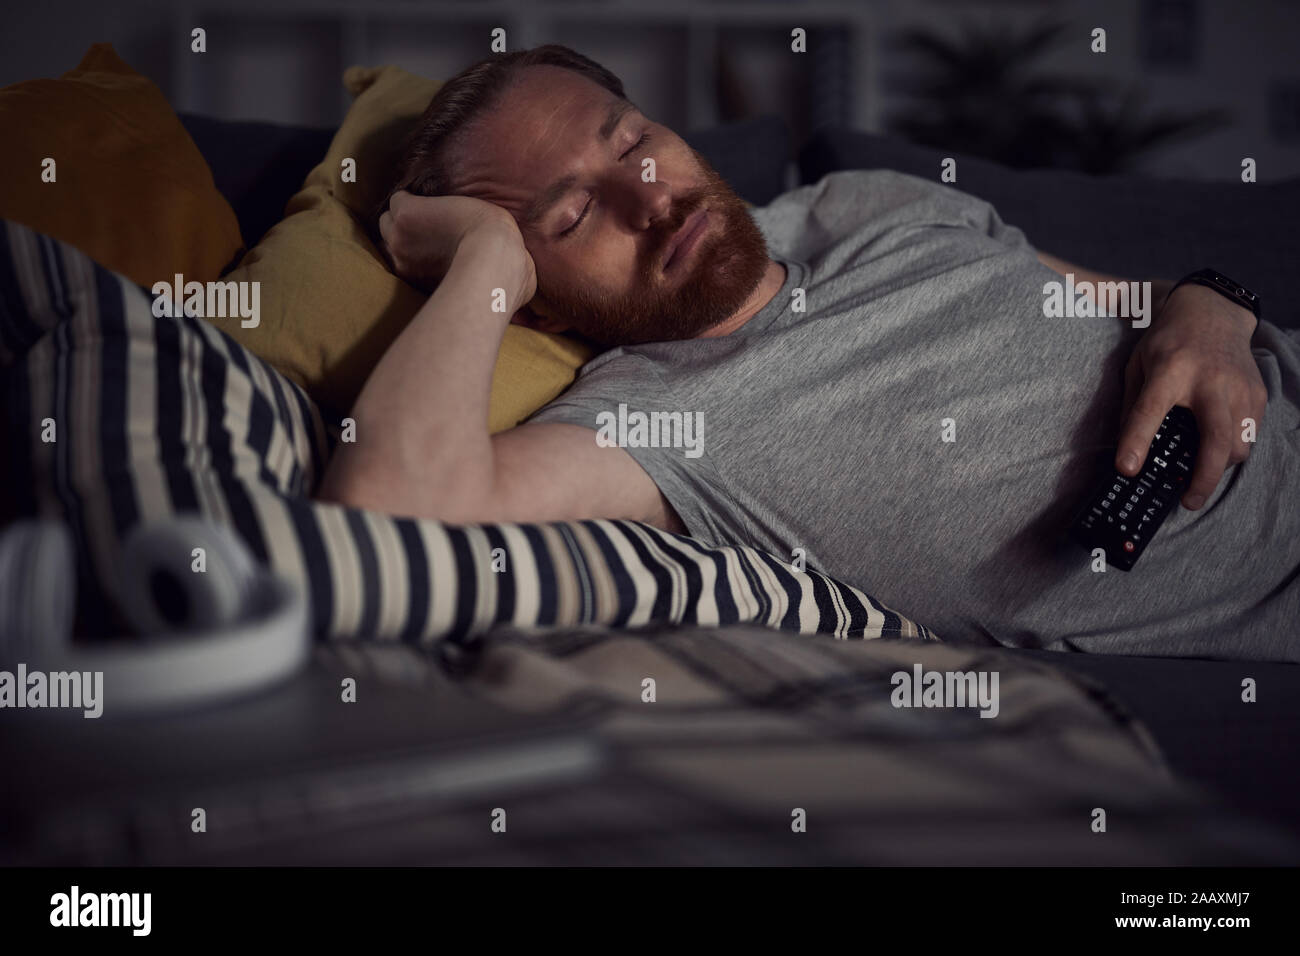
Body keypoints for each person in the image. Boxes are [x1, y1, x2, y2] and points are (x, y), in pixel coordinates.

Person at [318, 45, 1299, 661]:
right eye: (573, 216)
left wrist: (1214, 310)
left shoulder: (861, 200)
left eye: (634, 142)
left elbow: (1136, 301)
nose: (650, 198)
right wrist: (483, 262)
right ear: (535, 304)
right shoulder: (648, 423)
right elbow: (389, 515)